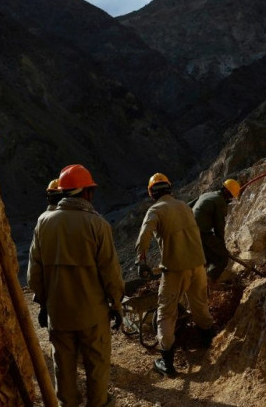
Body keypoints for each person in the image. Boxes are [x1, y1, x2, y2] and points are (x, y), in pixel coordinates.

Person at [28, 164, 124, 407]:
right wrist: (116, 304)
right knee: (96, 366)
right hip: (92, 314)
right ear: (86, 193)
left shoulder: (43, 223)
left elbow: (33, 275)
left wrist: (43, 304)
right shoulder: (98, 225)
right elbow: (111, 274)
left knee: (64, 366)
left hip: (59, 314)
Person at [135, 173, 215, 377]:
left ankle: (167, 363)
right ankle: (208, 343)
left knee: (166, 312)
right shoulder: (184, 206)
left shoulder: (155, 210)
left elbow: (144, 236)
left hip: (175, 270)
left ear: (151, 193)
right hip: (197, 266)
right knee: (199, 303)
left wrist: (141, 261)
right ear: (170, 189)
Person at [191, 179, 240, 284]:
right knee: (222, 258)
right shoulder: (220, 202)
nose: (230, 200)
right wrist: (222, 247)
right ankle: (206, 283)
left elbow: (187, 206)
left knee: (207, 258)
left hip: (188, 231)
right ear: (228, 194)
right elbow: (219, 228)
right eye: (231, 197)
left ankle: (199, 279)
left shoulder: (207, 194)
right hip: (202, 233)